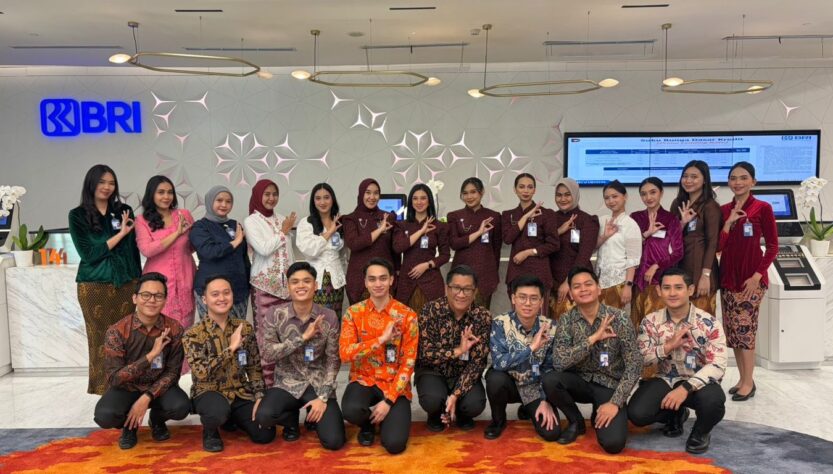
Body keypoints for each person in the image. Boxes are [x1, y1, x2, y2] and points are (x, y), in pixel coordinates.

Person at [628, 268, 727, 454]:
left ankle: (700, 433)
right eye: (666, 288)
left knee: (713, 402)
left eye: (678, 287)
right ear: (659, 291)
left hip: (698, 382)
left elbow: (717, 365)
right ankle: (676, 414)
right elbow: (640, 358)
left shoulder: (709, 322)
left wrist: (685, 388)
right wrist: (667, 347)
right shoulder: (650, 321)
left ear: (690, 290)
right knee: (637, 413)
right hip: (666, 378)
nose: (672, 293)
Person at [545, 266, 641, 454]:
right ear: (571, 294)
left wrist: (615, 402)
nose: (583, 289)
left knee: (613, 444)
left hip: (609, 385)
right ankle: (576, 421)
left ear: (598, 288)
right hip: (579, 381)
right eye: (577, 286)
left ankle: (604, 409)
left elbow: (634, 364)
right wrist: (592, 339)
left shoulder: (619, 318)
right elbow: (559, 361)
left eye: (588, 284)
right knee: (550, 380)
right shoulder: (566, 320)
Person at [93, 272, 190, 449]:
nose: (152, 300)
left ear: (165, 300)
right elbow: (114, 378)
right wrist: (151, 356)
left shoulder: (174, 329)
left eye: (158, 296)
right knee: (105, 416)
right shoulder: (117, 331)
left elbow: (173, 373)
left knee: (181, 407)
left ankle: (157, 419)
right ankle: (129, 426)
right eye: (146, 295)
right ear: (135, 298)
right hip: (127, 387)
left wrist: (147, 397)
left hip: (159, 387)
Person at [256, 262, 345, 450]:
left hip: (317, 383)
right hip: (286, 382)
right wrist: (303, 338)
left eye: (306, 281)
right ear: (288, 286)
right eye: (295, 282)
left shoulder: (329, 316)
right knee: (264, 416)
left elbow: (333, 360)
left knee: (334, 441)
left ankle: (313, 414)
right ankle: (291, 419)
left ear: (316, 285)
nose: (301, 285)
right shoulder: (275, 314)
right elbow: (268, 353)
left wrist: (323, 398)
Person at [69, 164, 141, 395]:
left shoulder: (124, 211)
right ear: (91, 184)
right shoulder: (77, 215)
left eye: (111, 182)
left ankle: (127, 387)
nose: (107, 187)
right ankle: (104, 390)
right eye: (102, 182)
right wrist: (120, 234)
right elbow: (89, 254)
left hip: (126, 284)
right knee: (100, 339)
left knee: (127, 338)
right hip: (94, 286)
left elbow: (132, 251)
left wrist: (139, 283)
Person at [183, 275, 275, 452]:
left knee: (265, 433)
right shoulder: (193, 333)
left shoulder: (244, 327)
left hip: (240, 392)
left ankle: (232, 418)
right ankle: (210, 430)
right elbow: (201, 372)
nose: (222, 298)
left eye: (226, 293)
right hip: (209, 392)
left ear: (232, 295)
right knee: (217, 412)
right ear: (204, 299)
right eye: (215, 294)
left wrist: (259, 396)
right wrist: (230, 349)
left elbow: (254, 367)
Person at [339, 258, 418, 454]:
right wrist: (380, 340)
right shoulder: (353, 313)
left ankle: (384, 419)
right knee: (351, 410)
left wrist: (389, 401)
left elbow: (408, 363)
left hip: (394, 385)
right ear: (365, 282)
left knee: (394, 445)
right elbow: (345, 354)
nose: (378, 284)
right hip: (364, 379)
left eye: (383, 278)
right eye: (372, 279)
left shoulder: (407, 315)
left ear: (391, 280)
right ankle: (367, 424)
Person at [718, 162, 777, 402]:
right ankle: (743, 379)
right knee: (734, 333)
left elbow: (773, 246)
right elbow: (719, 246)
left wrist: (757, 276)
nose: (738, 182)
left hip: (751, 281)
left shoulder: (762, 208)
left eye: (743, 178)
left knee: (745, 331)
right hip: (728, 279)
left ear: (753, 181)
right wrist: (728, 222)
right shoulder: (724, 210)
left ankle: (749, 382)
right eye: (733, 178)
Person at [415, 265, 490, 432]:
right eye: (456, 288)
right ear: (446, 288)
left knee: (475, 404)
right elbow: (425, 354)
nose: (461, 294)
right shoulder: (430, 311)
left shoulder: (482, 317)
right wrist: (459, 351)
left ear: (475, 292)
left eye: (467, 289)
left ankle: (461, 413)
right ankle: (435, 413)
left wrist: (456, 395)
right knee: (432, 400)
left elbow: (478, 363)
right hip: (433, 371)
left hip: (463, 372)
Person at [485, 275, 559, 441]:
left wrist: (546, 400)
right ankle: (498, 420)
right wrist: (531, 348)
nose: (527, 303)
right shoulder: (500, 323)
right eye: (522, 297)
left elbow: (551, 369)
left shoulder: (551, 327)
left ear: (541, 302)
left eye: (533, 298)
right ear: (513, 298)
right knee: (495, 379)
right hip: (509, 383)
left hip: (535, 388)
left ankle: (528, 408)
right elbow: (499, 362)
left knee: (551, 433)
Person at [135, 176, 197, 361]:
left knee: (184, 332)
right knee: (159, 333)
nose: (166, 196)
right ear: (151, 195)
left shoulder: (184, 215)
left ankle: (180, 375)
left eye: (170, 192)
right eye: (161, 192)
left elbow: (192, 246)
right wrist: (177, 233)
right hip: (158, 286)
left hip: (185, 281)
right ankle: (158, 374)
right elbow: (147, 250)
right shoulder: (142, 220)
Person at [244, 179, 296, 387]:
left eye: (274, 194)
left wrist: (294, 279)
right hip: (264, 286)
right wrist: (283, 232)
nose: (271, 198)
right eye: (267, 194)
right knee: (265, 337)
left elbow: (288, 252)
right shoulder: (251, 221)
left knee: (286, 334)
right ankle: (266, 385)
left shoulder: (282, 219)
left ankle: (284, 383)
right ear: (258, 195)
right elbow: (263, 249)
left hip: (286, 289)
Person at [501, 173, 560, 316]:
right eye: (521, 187)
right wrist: (525, 217)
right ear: (515, 189)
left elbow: (554, 244)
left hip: (539, 271)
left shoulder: (547, 214)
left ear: (534, 190)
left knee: (540, 319)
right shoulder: (508, 215)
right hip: (517, 272)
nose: (525, 191)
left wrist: (528, 252)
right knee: (518, 318)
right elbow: (508, 239)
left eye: (529, 187)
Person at [630, 177, 684, 328]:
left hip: (658, 281)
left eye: (653, 192)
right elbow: (629, 247)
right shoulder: (635, 218)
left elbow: (678, 252)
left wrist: (656, 266)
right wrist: (646, 234)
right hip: (637, 280)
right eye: (644, 194)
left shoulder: (670, 219)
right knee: (637, 325)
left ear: (661, 193)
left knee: (657, 326)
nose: (648, 197)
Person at [670, 161, 721, 315]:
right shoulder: (677, 203)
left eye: (694, 177)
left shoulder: (710, 206)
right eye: (685, 176)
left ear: (704, 180)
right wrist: (682, 223)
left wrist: (705, 275)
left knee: (702, 319)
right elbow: (671, 238)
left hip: (701, 270)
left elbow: (712, 242)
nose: (688, 180)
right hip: (680, 268)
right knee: (680, 318)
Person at [190, 186, 249, 320]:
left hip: (238, 290)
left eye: (228, 201)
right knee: (213, 331)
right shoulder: (200, 226)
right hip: (211, 291)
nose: (224, 205)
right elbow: (209, 252)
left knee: (238, 329)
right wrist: (234, 242)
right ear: (210, 201)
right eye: (219, 200)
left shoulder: (235, 225)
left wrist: (248, 284)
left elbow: (243, 257)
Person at [393, 183, 450, 315]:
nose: (419, 202)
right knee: (405, 319)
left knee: (434, 318)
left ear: (429, 201)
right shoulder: (402, 225)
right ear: (410, 202)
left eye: (423, 198)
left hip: (431, 279)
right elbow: (398, 248)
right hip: (407, 279)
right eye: (415, 198)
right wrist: (421, 231)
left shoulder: (439, 226)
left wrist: (427, 265)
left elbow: (445, 255)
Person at [447, 177, 502, 309]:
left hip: (485, 274)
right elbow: (454, 243)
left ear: (481, 192)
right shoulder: (454, 216)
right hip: (461, 274)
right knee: (458, 314)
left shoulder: (494, 216)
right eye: (465, 193)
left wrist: (493, 274)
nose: (469, 196)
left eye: (473, 192)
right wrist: (478, 233)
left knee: (481, 315)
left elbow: (496, 249)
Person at [550, 177, 600, 320]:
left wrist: (569, 281)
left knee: (579, 323)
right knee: (555, 325)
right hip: (552, 283)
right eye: (559, 195)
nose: (563, 199)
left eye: (567, 194)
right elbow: (543, 246)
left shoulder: (587, 220)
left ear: (575, 195)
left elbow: (584, 255)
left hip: (578, 283)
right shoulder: (550, 219)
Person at [342, 179, 398, 305]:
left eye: (376, 193)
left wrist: (397, 273)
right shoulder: (350, 219)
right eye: (368, 193)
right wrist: (379, 230)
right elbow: (354, 243)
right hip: (359, 280)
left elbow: (394, 250)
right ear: (361, 194)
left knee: (386, 315)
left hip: (384, 279)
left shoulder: (388, 217)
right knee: (360, 316)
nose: (372, 197)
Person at [295, 183, 347, 314]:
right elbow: (310, 250)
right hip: (316, 279)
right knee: (316, 319)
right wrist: (329, 232)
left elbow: (339, 250)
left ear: (332, 199)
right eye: (318, 198)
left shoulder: (338, 222)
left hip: (336, 280)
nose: (322, 202)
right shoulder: (306, 223)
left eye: (326, 197)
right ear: (313, 201)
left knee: (335, 318)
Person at [595, 180, 642, 311]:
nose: (611, 201)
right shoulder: (602, 221)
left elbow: (633, 259)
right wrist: (605, 236)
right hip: (598, 282)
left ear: (625, 197)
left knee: (615, 319)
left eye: (615, 196)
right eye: (607, 198)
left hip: (619, 282)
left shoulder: (630, 224)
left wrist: (628, 285)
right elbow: (593, 248)